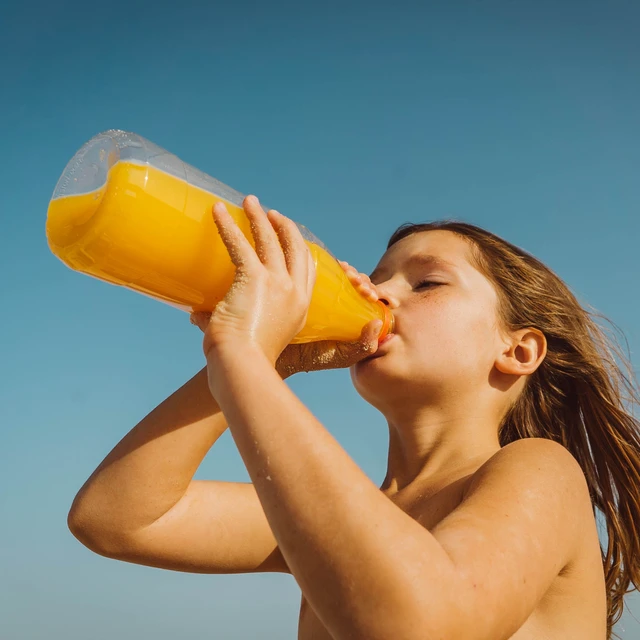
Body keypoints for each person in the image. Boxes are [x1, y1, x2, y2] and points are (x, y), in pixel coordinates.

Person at [67, 195, 640, 639]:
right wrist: (262, 360)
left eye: (427, 282)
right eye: (377, 277)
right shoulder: (351, 516)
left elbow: (419, 623)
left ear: (518, 351)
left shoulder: (541, 469)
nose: (377, 292)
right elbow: (117, 517)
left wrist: (241, 356)